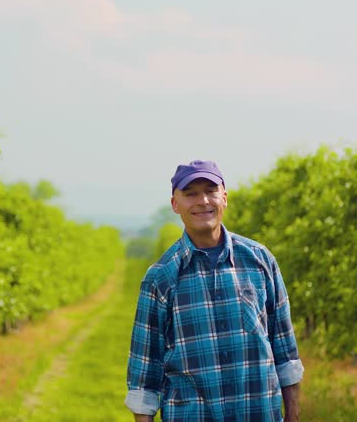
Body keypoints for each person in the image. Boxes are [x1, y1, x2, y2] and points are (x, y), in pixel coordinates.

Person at [125, 160, 304, 421]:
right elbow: (144, 373)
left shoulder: (260, 260)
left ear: (225, 197)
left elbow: (285, 350)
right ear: (175, 204)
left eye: (211, 190)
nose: (203, 201)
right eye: (191, 194)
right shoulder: (160, 277)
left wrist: (294, 413)